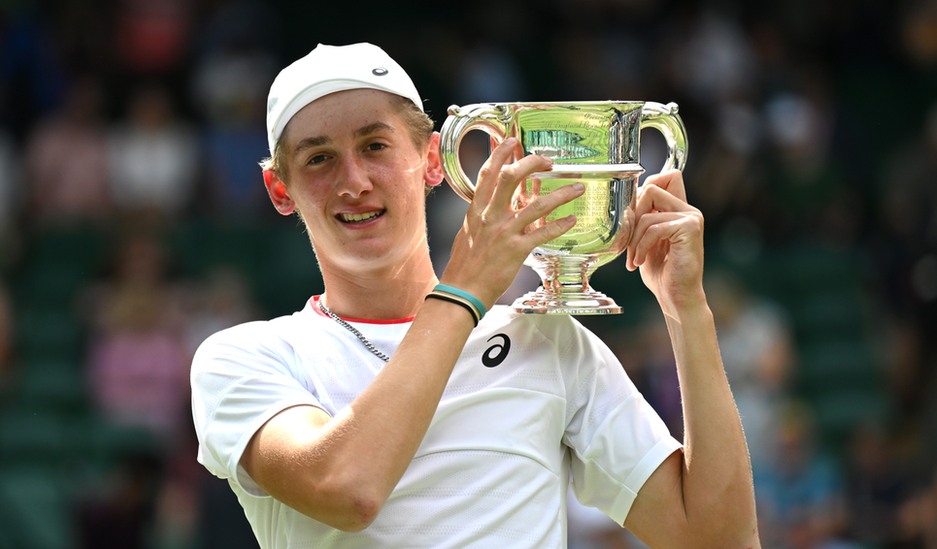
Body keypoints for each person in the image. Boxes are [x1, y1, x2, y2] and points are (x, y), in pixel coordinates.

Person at [190, 42, 760, 548]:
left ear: (432, 161)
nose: (355, 181)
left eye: (375, 146)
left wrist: (687, 310)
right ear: (279, 190)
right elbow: (346, 490)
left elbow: (719, 542)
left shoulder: (551, 343)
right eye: (319, 158)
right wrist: (465, 289)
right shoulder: (245, 357)